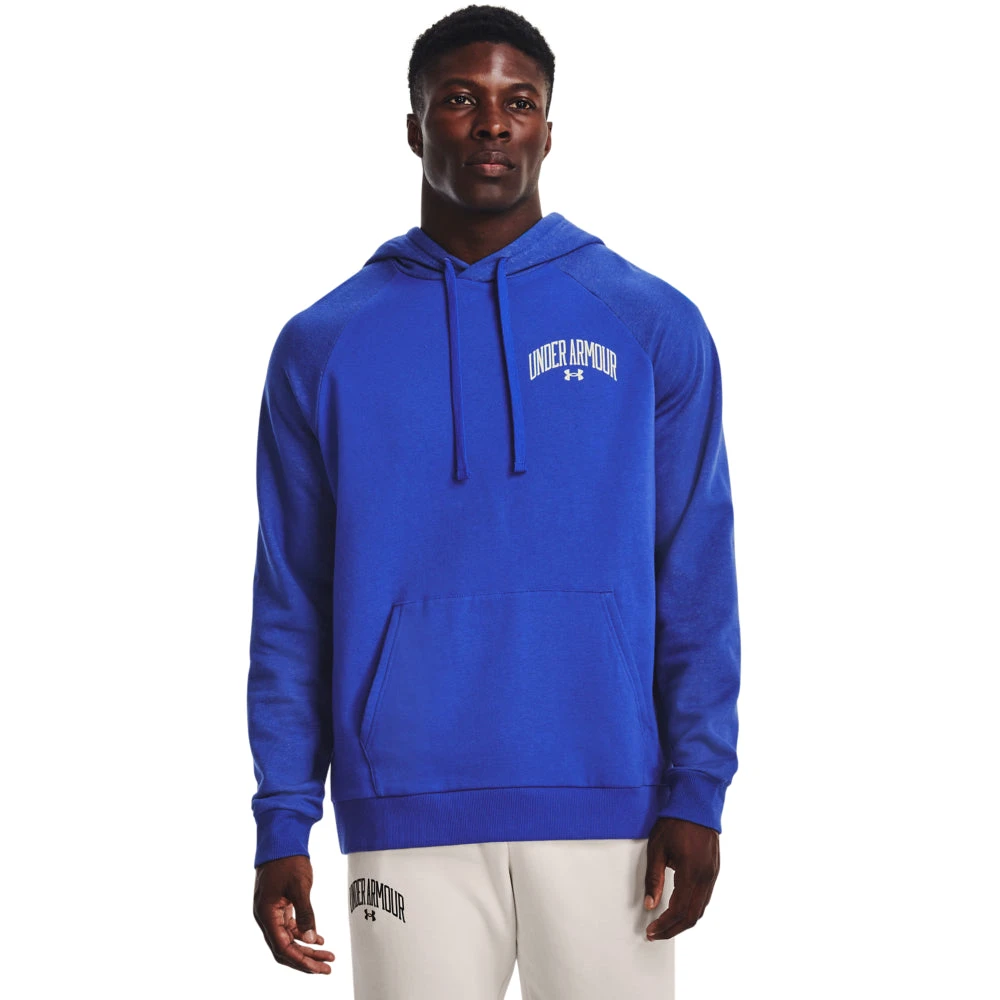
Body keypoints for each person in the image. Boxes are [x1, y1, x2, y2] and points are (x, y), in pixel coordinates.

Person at [248, 5, 741, 997]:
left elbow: (694, 573)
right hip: (404, 804)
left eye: (519, 102)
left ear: (548, 129)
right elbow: (292, 598)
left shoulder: (650, 324)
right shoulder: (322, 344)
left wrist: (697, 790)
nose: (491, 124)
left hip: (611, 801)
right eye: (460, 100)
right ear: (414, 126)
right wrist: (282, 818)